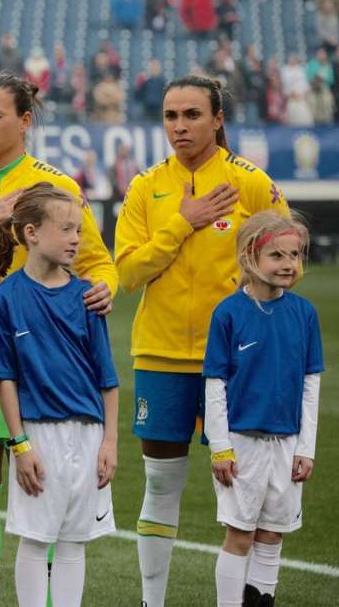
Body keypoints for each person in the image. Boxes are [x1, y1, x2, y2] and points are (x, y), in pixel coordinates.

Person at [0, 72, 117, 607]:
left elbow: (100, 261)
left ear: (25, 120)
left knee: (49, 497)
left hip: (42, 371)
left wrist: (105, 286)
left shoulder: (55, 186)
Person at [114, 76, 289, 607]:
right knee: (162, 486)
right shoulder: (147, 187)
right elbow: (127, 272)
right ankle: (152, 601)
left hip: (238, 365)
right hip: (162, 356)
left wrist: (253, 290)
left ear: (217, 118)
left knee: (243, 493)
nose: (179, 126)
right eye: (170, 116)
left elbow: (286, 261)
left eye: (192, 114)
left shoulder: (251, 183)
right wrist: (181, 223)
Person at [0, 182, 119, 607]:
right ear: (31, 233)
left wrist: (109, 441)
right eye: (66, 229)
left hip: (88, 434)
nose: (76, 238)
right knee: (37, 539)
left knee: (75, 540)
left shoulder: (87, 297)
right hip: (38, 436)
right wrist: (20, 444)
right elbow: (5, 380)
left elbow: (107, 379)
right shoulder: (4, 300)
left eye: (78, 229)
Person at [204, 211, 322, 607]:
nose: (289, 263)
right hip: (242, 445)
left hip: (287, 445)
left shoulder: (304, 313)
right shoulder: (228, 313)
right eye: (277, 255)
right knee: (240, 535)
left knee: (272, 534)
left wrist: (306, 447)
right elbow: (215, 385)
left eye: (295, 254)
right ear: (249, 258)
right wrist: (220, 446)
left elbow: (310, 384)